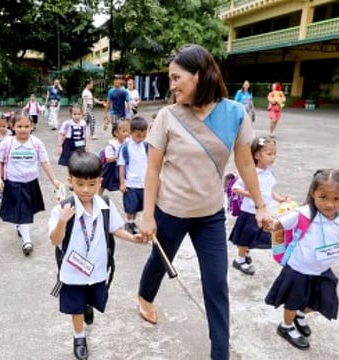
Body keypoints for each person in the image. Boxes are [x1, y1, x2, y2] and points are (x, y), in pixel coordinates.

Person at [137, 44, 269, 360]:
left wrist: (261, 205)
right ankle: (144, 297)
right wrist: (147, 215)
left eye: (176, 77)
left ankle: (219, 354)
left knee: (216, 283)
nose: (172, 86)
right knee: (159, 261)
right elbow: (153, 169)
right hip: (171, 211)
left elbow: (246, 164)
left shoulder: (235, 114)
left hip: (210, 215)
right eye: (170, 79)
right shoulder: (168, 117)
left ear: (199, 74)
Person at [48, 151, 146, 360]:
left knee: (92, 298)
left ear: (99, 182)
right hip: (73, 271)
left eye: (92, 184)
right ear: (70, 181)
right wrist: (63, 221)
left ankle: (88, 306)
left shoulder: (105, 206)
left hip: (98, 269)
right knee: (75, 306)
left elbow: (115, 229)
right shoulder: (63, 209)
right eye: (80, 184)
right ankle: (79, 336)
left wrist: (133, 238)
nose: (86, 190)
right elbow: (55, 241)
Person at [263, 169, 339, 350]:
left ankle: (300, 315)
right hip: (298, 268)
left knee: (322, 299)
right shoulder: (302, 214)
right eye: (323, 197)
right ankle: (286, 327)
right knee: (292, 302)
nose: (329, 204)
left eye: (336, 199)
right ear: (313, 193)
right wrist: (270, 224)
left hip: (322, 269)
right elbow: (278, 225)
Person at [0, 114, 61, 256]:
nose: (23, 130)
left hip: (31, 183)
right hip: (14, 183)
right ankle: (27, 241)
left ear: (32, 127)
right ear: (12, 127)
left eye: (26, 126)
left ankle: (21, 227)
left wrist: (54, 180)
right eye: (19, 126)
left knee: (27, 211)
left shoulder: (36, 143)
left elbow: (45, 162)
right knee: (24, 211)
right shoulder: (7, 143)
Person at [229, 136, 289, 275]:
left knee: (255, 236)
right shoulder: (251, 173)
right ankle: (240, 259)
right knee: (245, 237)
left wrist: (280, 199)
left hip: (263, 212)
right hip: (250, 212)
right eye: (269, 154)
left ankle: (245, 253)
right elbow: (235, 189)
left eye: (274, 154)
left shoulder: (268, 172)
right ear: (257, 155)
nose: (273, 157)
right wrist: (253, 195)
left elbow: (270, 190)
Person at [117, 116, 148, 234]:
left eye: (143, 136)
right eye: (138, 136)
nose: (141, 139)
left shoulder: (145, 146)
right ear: (131, 133)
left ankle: (132, 222)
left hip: (143, 183)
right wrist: (122, 183)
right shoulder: (126, 147)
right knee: (130, 207)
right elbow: (121, 165)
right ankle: (128, 223)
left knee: (138, 206)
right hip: (130, 183)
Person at [98, 119, 130, 195]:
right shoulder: (112, 145)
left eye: (128, 131)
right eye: (124, 131)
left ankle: (127, 198)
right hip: (111, 169)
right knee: (103, 183)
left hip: (122, 168)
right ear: (116, 133)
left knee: (124, 184)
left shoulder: (128, 142)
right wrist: (118, 157)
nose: (127, 134)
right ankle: (97, 197)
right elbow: (108, 159)